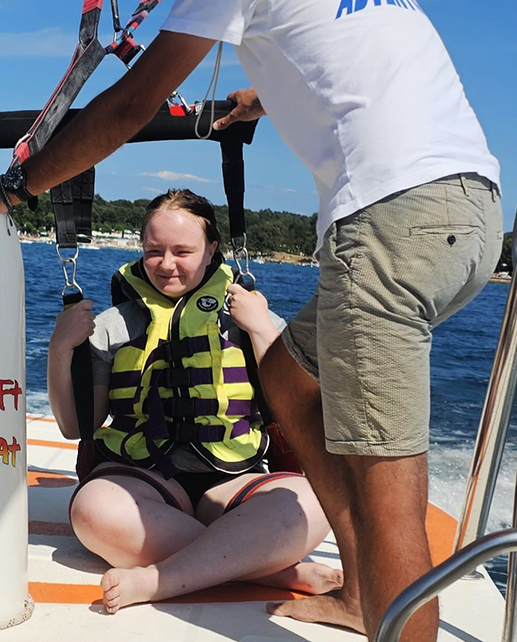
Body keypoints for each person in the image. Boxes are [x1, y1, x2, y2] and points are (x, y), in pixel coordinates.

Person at [0, 0, 503, 642]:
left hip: (388, 226)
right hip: (470, 214)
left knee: (390, 498)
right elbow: (353, 56)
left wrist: (10, 188)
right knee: (290, 378)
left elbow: (128, 105)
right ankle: (360, 591)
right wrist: (260, 98)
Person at [49, 189, 340, 613]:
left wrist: (260, 331)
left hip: (233, 480)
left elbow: (297, 411)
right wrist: (60, 350)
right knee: (91, 510)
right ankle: (271, 569)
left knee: (314, 503)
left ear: (212, 251)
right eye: (154, 251)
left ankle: (159, 579)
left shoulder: (250, 316)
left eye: (182, 251)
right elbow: (78, 427)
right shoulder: (111, 327)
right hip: (144, 481)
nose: (166, 264)